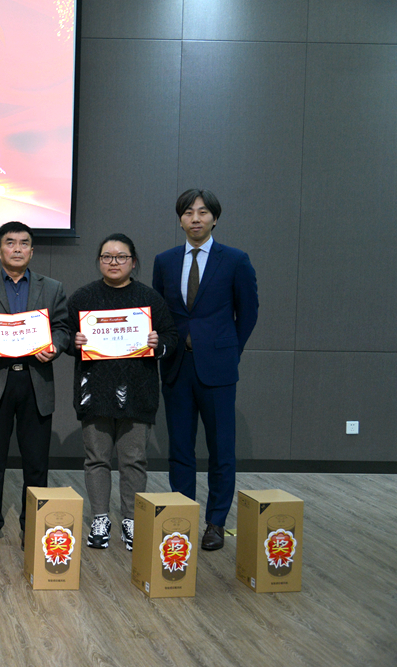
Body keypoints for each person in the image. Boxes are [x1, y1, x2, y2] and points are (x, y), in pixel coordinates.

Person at [153, 190, 258, 551]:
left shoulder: (235, 260)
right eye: (188, 212)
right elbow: (159, 313)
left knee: (221, 449)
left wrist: (230, 351)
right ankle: (181, 520)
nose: (195, 218)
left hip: (218, 368)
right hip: (176, 367)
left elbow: (249, 312)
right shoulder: (165, 261)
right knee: (180, 448)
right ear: (180, 219)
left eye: (202, 212)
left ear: (215, 218)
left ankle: (216, 522)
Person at [68, 233, 177, 551]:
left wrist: (159, 343)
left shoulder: (149, 298)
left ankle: (131, 519)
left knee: (134, 460)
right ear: (99, 261)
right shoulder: (83, 297)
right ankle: (100, 518)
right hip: (94, 391)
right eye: (107, 256)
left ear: (133, 261)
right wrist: (74, 342)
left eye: (121, 257)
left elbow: (170, 335)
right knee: (96, 459)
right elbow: (65, 335)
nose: (113, 262)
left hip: (138, 390)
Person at [0, 222, 71, 551]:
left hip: (35, 381)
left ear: (32, 250)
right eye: (10, 243)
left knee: (36, 463)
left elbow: (62, 328)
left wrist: (55, 346)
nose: (17, 249)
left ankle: (33, 525)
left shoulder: (53, 287)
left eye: (24, 243)